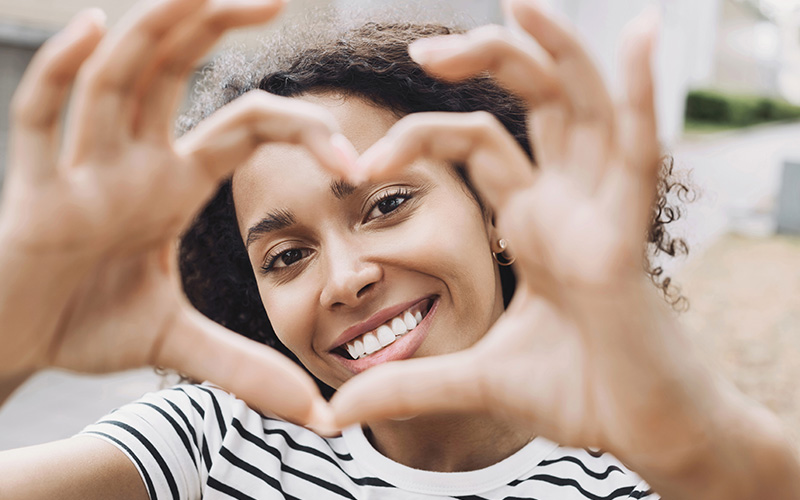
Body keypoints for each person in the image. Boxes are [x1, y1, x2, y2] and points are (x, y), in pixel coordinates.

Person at [0, 0, 798, 498]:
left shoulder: (651, 472)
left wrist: (706, 447)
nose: (344, 279)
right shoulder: (210, 446)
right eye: (285, 256)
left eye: (386, 205)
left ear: (496, 210)